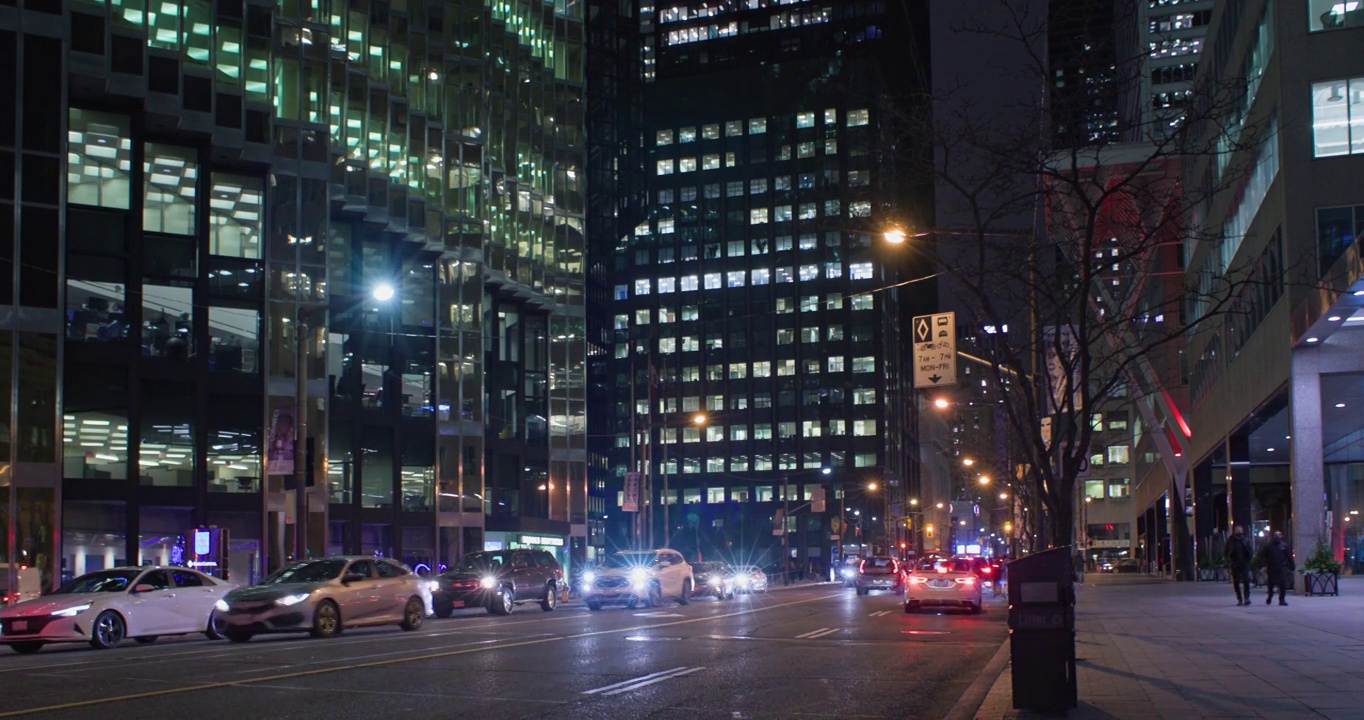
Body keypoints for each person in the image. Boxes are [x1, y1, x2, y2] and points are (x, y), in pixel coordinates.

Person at [1257, 530, 1294, 606]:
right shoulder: (1268, 546)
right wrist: (1264, 565)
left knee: (1282, 584)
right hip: (1272, 567)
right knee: (1271, 584)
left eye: (1279, 535)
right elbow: (1263, 556)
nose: (1277, 537)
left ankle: (1282, 599)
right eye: (1276, 536)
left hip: (1281, 567)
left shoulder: (1284, 546)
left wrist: (1291, 565)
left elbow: (1288, 556)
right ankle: (1270, 596)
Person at [1225, 525, 1254, 606]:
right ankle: (1240, 599)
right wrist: (1228, 560)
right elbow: (1227, 551)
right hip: (1235, 563)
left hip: (1244, 563)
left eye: (1240, 532)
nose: (1239, 534)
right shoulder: (1231, 541)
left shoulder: (1245, 540)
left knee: (1246, 580)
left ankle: (1247, 598)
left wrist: (1249, 558)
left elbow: (1250, 550)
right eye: (1238, 532)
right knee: (1236, 581)